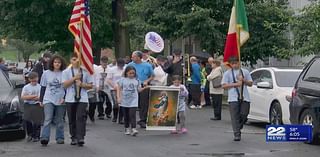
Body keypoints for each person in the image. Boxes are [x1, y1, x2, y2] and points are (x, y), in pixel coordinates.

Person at [62, 54, 93, 146]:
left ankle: (80, 137)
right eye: (74, 59)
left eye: (78, 59)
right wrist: (74, 78)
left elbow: (91, 85)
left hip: (82, 98)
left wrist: (82, 85)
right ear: (71, 60)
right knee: (71, 118)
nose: (76, 61)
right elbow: (64, 85)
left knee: (81, 117)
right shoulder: (66, 72)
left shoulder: (85, 71)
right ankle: (73, 137)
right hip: (70, 98)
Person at [222, 56, 253, 141]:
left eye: (236, 63)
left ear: (239, 63)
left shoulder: (245, 72)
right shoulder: (227, 73)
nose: (235, 65)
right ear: (230, 64)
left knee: (244, 114)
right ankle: (237, 134)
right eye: (233, 64)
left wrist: (243, 80)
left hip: (244, 97)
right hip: (233, 98)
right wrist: (235, 84)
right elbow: (224, 86)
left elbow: (250, 83)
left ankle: (239, 126)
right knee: (234, 116)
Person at [39, 55, 67, 146]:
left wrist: (65, 98)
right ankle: (45, 137)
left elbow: (67, 87)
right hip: (48, 99)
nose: (57, 64)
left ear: (61, 63)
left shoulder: (65, 73)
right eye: (55, 62)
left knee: (59, 120)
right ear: (52, 63)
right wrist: (41, 99)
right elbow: (43, 87)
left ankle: (60, 137)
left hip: (60, 99)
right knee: (48, 118)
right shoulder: (46, 73)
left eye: (59, 62)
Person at [116, 66, 149, 136]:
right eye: (130, 73)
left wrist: (145, 87)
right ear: (126, 73)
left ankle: (133, 128)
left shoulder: (137, 80)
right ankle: (127, 128)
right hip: (124, 100)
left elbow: (138, 90)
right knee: (126, 115)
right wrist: (118, 97)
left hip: (133, 100)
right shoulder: (122, 80)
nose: (131, 75)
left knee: (132, 114)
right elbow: (118, 89)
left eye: (133, 73)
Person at [128, 51, 154, 128]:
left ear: (139, 57)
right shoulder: (130, 65)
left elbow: (152, 76)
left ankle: (143, 120)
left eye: (133, 56)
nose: (132, 58)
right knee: (132, 103)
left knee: (144, 103)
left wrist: (147, 81)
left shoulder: (147, 65)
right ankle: (130, 119)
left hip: (143, 85)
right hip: (132, 85)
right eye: (132, 56)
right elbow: (124, 74)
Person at [21, 72, 42, 142]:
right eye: (32, 81)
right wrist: (33, 96)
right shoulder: (26, 87)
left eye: (35, 81)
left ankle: (37, 135)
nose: (34, 82)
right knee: (27, 120)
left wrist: (29, 97)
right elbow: (23, 97)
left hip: (37, 104)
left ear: (38, 79)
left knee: (37, 121)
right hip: (28, 104)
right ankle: (30, 134)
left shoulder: (39, 87)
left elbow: (39, 98)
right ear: (29, 80)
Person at [91, 56, 113, 120]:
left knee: (109, 101)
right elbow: (95, 78)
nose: (104, 64)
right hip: (99, 87)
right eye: (103, 62)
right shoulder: (97, 69)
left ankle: (108, 112)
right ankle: (101, 113)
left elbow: (111, 78)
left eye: (105, 62)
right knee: (100, 101)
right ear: (101, 62)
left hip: (107, 87)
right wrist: (96, 86)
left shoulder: (110, 69)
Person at [107, 58, 126, 123]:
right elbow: (108, 79)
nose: (121, 66)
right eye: (120, 65)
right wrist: (113, 86)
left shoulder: (125, 69)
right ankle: (115, 116)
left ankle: (121, 118)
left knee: (122, 103)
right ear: (117, 64)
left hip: (122, 89)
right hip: (114, 88)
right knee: (116, 103)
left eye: (122, 65)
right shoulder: (112, 70)